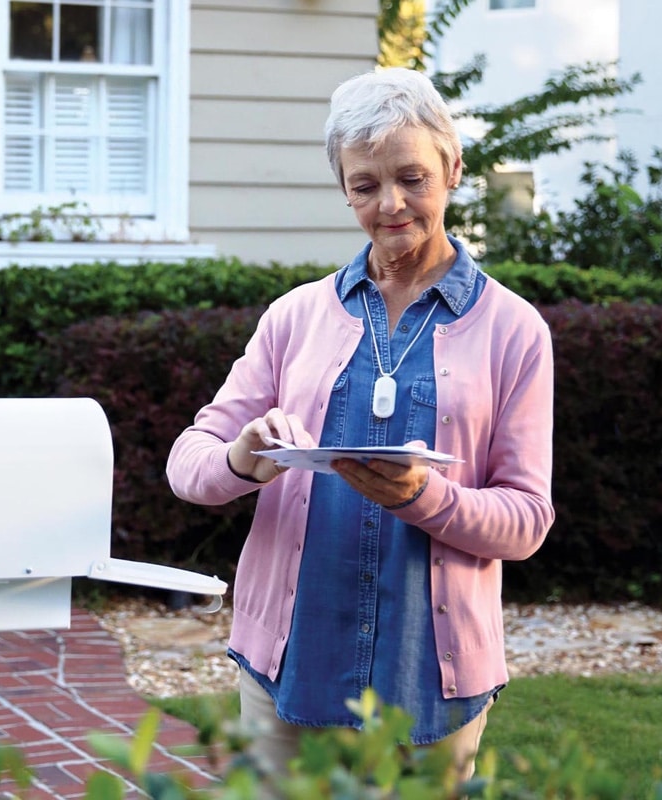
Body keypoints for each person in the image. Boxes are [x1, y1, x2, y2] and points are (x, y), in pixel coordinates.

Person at [166, 67, 554, 787]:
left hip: (430, 679)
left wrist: (423, 498)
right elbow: (189, 461)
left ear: (453, 168)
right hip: (290, 665)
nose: (391, 203)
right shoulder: (294, 316)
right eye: (365, 185)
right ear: (344, 189)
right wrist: (242, 460)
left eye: (412, 177)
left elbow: (527, 520)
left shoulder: (514, 330)